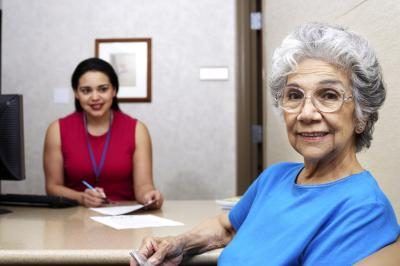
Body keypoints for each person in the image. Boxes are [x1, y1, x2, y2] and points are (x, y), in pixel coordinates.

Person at [130, 22, 399, 265]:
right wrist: (178, 244)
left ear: (362, 115)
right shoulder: (275, 178)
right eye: (294, 95)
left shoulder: (364, 209)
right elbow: (227, 227)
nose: (306, 114)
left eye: (328, 95)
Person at [43, 57, 163, 208]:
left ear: (114, 90)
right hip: (74, 219)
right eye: (86, 91)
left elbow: (143, 186)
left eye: (103, 89)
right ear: (76, 93)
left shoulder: (138, 130)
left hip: (124, 221)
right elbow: (52, 187)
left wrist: (149, 196)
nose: (95, 97)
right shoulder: (57, 130)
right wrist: (81, 197)